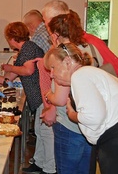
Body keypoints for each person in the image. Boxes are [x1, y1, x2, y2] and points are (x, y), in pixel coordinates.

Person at [40, 11, 105, 174]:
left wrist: (48, 94)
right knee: (85, 169)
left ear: (55, 34)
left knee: (67, 169)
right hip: (90, 122)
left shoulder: (63, 55)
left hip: (69, 122)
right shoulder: (90, 48)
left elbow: (61, 99)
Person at [44, 42, 118, 174]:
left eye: (53, 68)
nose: (51, 74)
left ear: (67, 61)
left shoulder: (80, 75)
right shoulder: (87, 73)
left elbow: (94, 117)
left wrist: (72, 114)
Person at [0, 22, 56, 174]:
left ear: (12, 38)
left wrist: (8, 68)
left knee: (45, 132)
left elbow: (28, 70)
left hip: (41, 95)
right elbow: (11, 77)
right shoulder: (26, 48)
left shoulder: (28, 48)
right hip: (38, 96)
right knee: (40, 130)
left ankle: (50, 168)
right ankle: (39, 162)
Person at [42, 0, 118, 76]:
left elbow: (115, 68)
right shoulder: (86, 42)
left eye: (45, 21)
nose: (45, 26)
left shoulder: (90, 42)